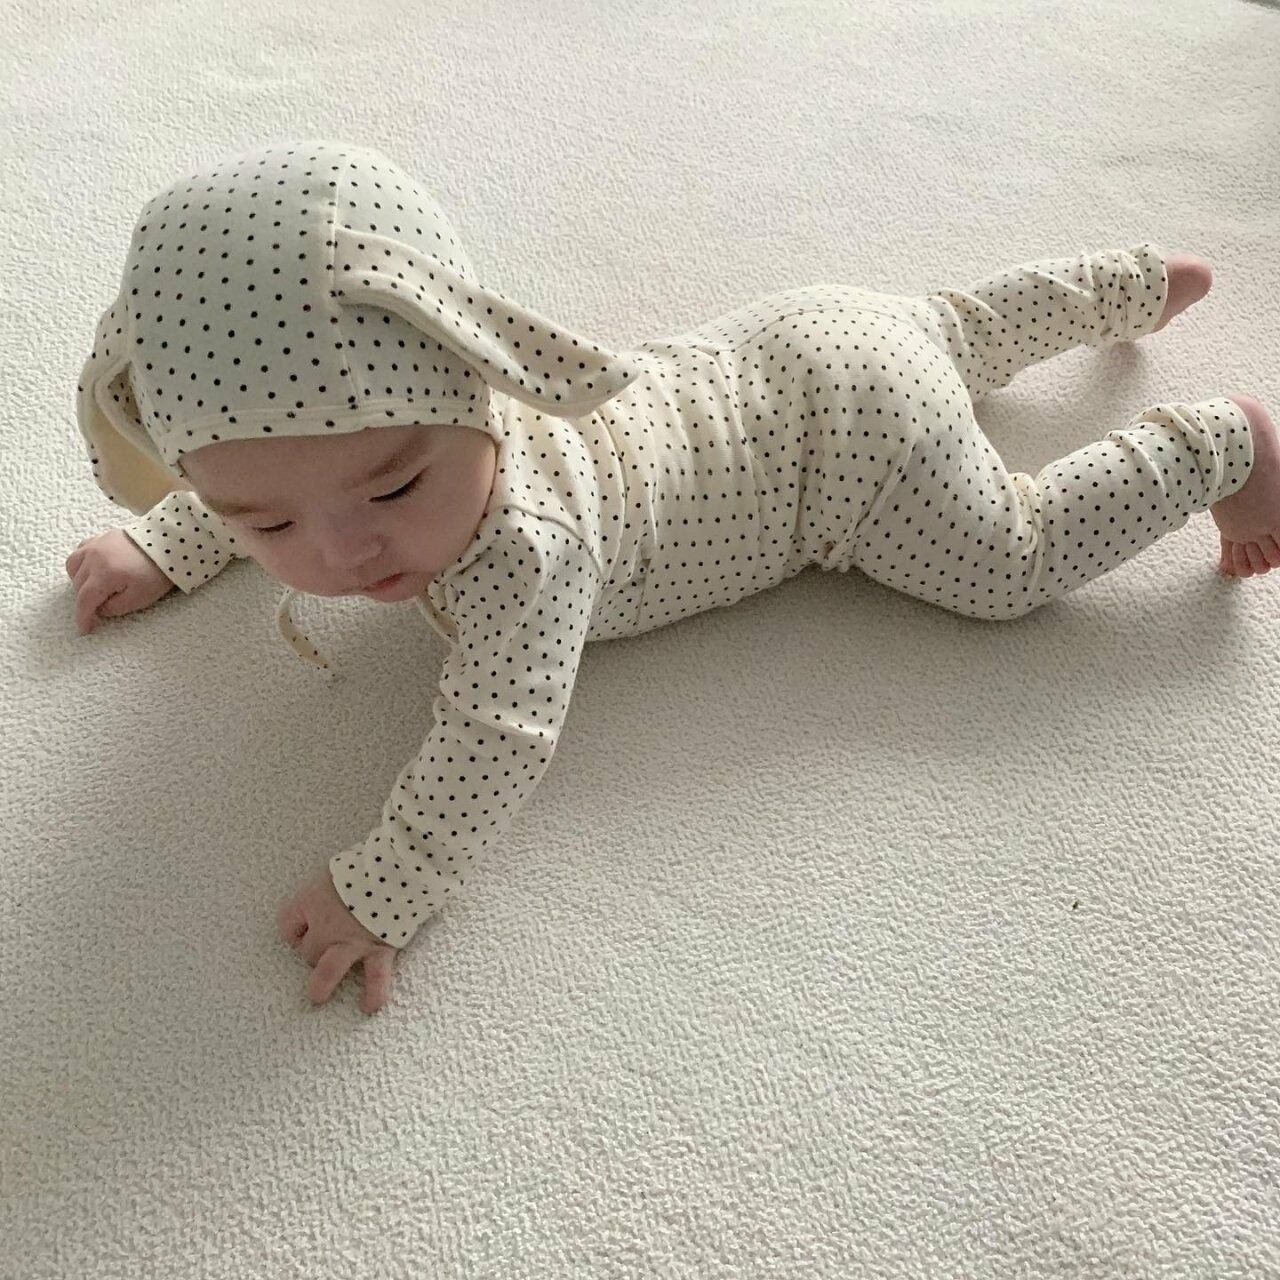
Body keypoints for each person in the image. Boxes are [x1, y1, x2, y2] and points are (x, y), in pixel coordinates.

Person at [66, 139, 1275, 1014]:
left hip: (852, 462)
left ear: (479, 378)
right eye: (264, 521)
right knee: (943, 328)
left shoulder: (525, 554)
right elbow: (268, 463)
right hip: (809, 330)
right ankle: (1128, 283)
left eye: (392, 491)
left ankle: (1215, 446)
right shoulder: (344, 442)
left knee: (1010, 558)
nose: (341, 555)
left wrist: (386, 886)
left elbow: (494, 735)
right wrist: (173, 541)